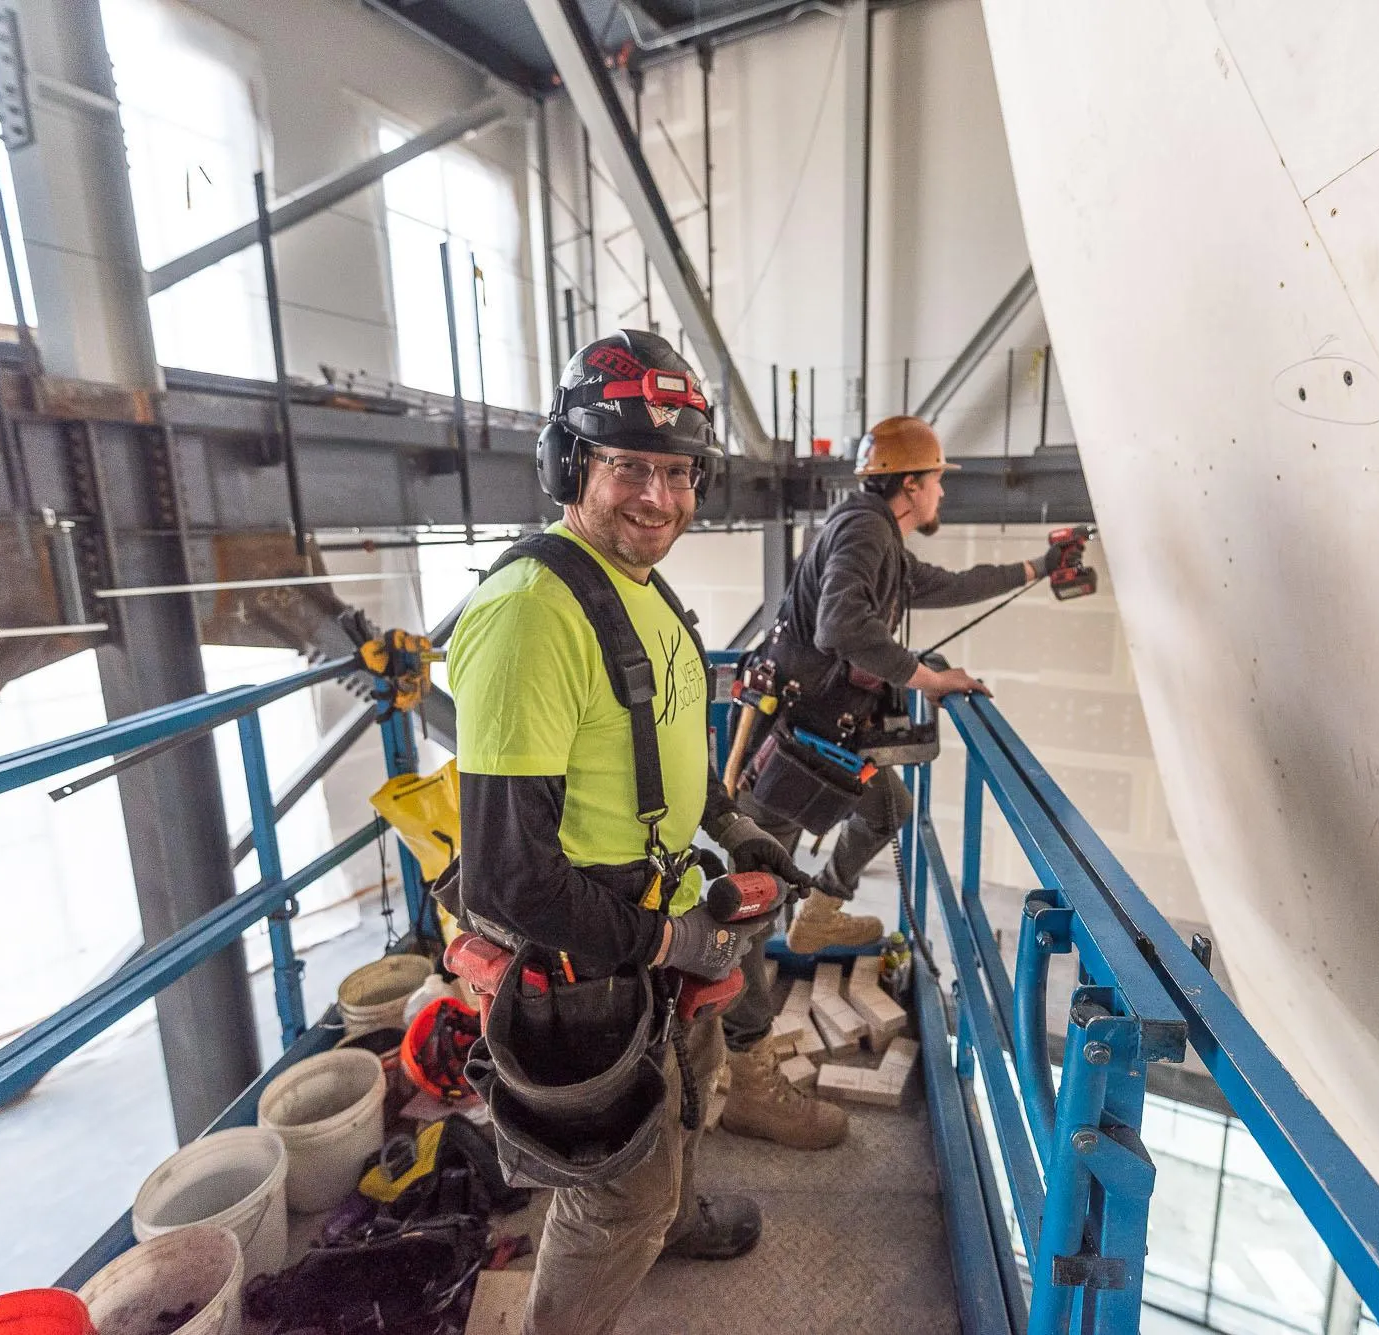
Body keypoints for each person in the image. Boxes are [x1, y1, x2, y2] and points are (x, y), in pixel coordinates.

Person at [444, 330, 818, 1335]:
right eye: (628, 467)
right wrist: (669, 939)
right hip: (584, 956)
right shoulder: (533, 615)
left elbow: (665, 746)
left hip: (656, 914)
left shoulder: (640, 591)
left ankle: (673, 1217)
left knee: (690, 1092)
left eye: (679, 472)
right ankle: (619, 1253)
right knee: (615, 1195)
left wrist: (732, 823)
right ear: (569, 465)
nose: (659, 498)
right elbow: (508, 880)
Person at [737, 415, 1064, 952]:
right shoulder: (865, 530)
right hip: (796, 738)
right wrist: (929, 679)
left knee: (888, 808)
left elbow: (951, 585)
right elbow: (841, 626)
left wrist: (1040, 566)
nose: (942, 491)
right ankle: (747, 1003)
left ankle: (819, 914)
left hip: (823, 734)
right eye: (936, 479)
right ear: (910, 484)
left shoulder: (876, 535)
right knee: (758, 896)